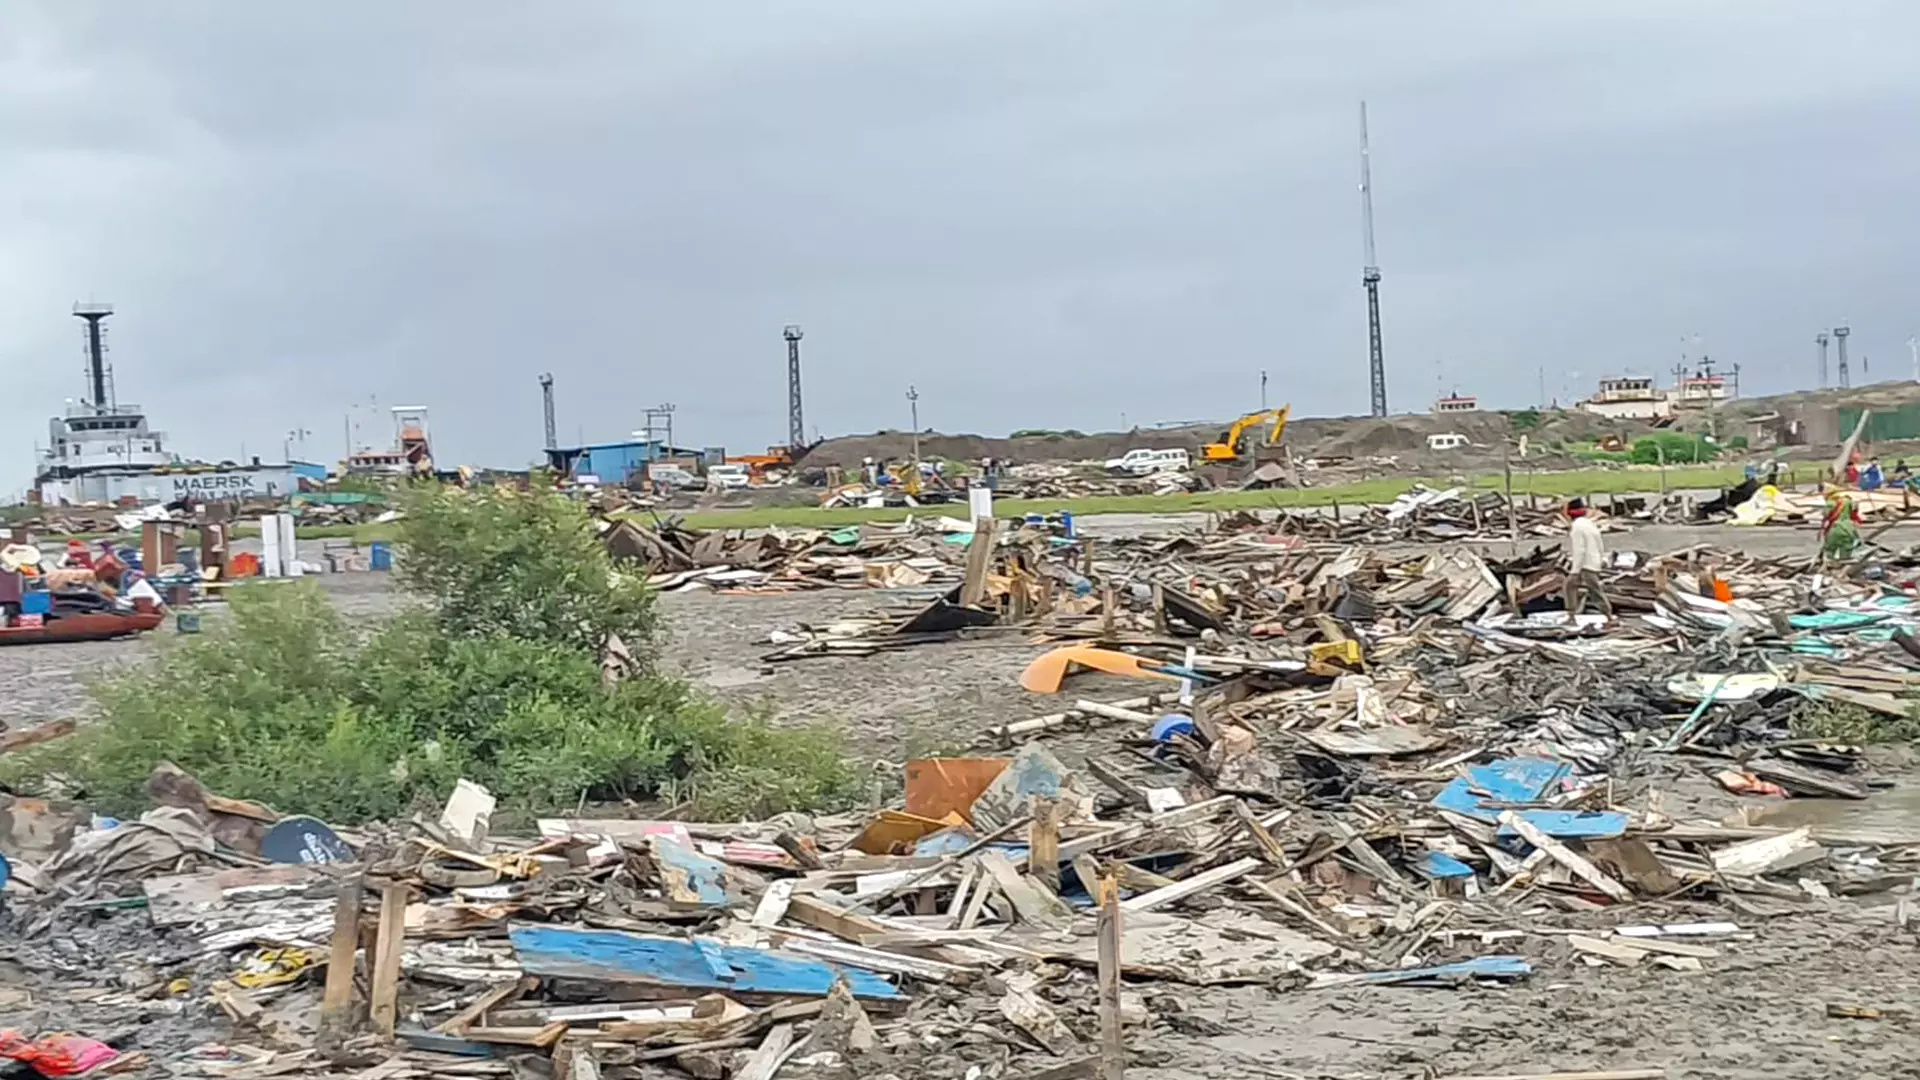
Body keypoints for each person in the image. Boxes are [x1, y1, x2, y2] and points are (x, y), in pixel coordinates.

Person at [1563, 498, 1612, 617]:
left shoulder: (1576, 528)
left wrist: (1575, 570)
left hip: (1585, 565)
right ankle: (1572, 614)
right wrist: (1600, 560)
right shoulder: (1589, 524)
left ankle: (1607, 614)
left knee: (1594, 591)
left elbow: (1580, 550)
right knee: (1571, 586)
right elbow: (1600, 544)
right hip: (1593, 562)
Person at [1822, 486, 1862, 562]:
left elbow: (1825, 514)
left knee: (1830, 551)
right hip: (1849, 528)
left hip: (1836, 528)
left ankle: (1830, 565)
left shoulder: (1830, 503)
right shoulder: (1847, 501)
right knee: (1847, 550)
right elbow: (1855, 510)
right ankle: (1845, 565)